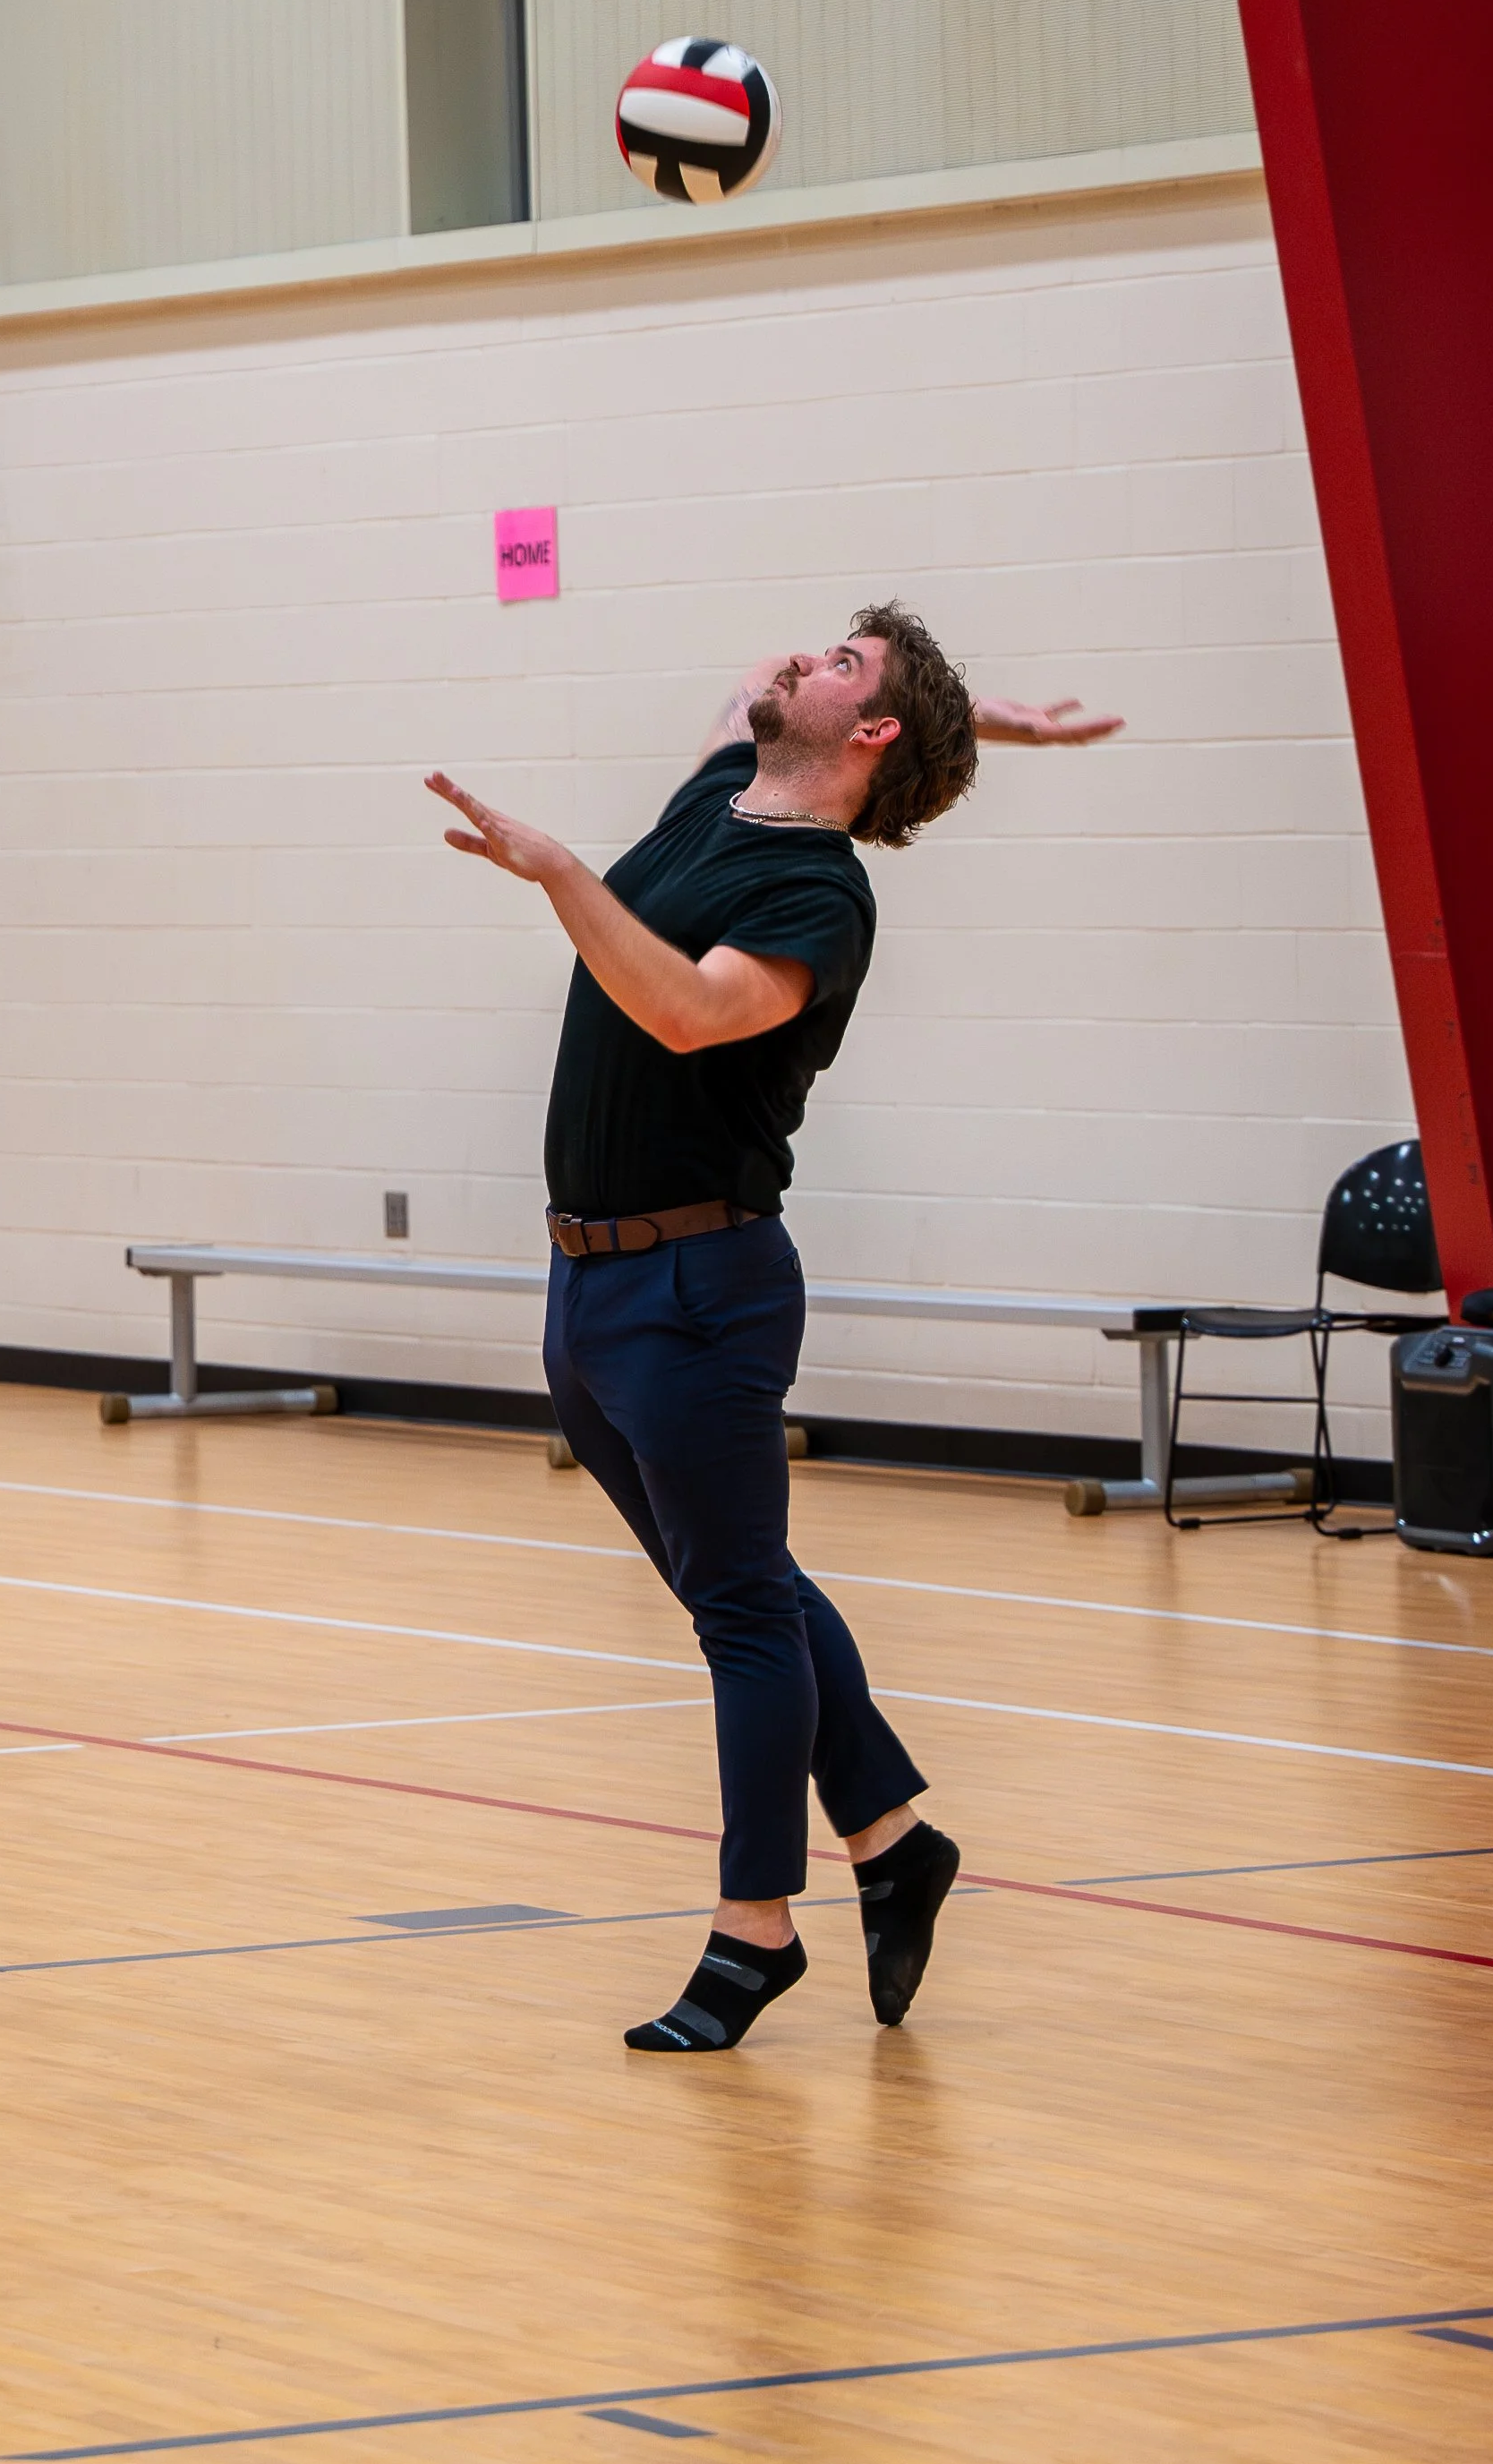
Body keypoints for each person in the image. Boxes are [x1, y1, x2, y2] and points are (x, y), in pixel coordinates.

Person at [427, 604, 1121, 2053]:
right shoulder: (715, 790)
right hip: (588, 1282)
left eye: (842, 665)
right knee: (739, 1587)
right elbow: (779, 691)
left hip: (702, 1290)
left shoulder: (819, 897)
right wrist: (1001, 725)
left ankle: (754, 1930)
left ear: (866, 736)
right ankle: (890, 1836)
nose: (797, 659)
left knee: (740, 1611)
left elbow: (684, 1012)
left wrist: (558, 871)